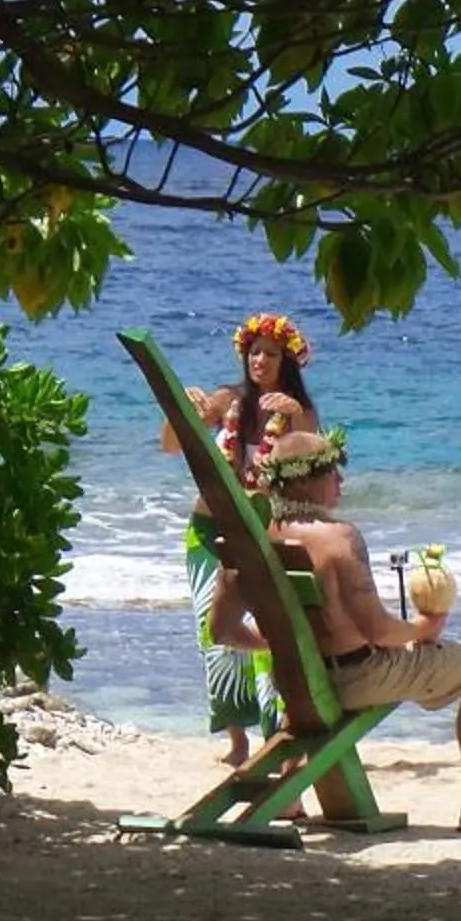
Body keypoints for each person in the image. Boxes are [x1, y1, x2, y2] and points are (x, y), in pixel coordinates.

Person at [207, 428, 461, 833]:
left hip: (295, 681)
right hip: (357, 679)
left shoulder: (250, 542)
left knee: (314, 684)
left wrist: (282, 645)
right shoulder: (339, 538)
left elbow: (221, 630)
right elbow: (377, 630)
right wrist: (423, 627)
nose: (340, 480)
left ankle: (287, 796)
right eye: (333, 471)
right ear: (305, 480)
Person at [161, 312, 318, 764]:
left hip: (263, 533)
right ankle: (236, 740)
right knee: (213, 631)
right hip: (209, 529)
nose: (260, 360)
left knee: (267, 629)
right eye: (254, 352)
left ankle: (274, 730)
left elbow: (317, 468)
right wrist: (180, 411)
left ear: (288, 361)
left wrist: (297, 422)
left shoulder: (298, 412)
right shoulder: (227, 400)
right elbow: (172, 444)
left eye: (270, 354)